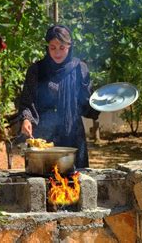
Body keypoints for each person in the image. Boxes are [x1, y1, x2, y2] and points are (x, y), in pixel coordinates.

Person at [19, 25, 99, 168]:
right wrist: (26, 119)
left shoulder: (80, 69)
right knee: (42, 182)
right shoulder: (36, 70)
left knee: (73, 182)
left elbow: (86, 105)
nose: (57, 52)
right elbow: (27, 100)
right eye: (53, 47)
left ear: (70, 46)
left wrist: (102, 103)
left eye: (62, 47)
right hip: (43, 137)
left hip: (72, 136)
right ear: (47, 47)